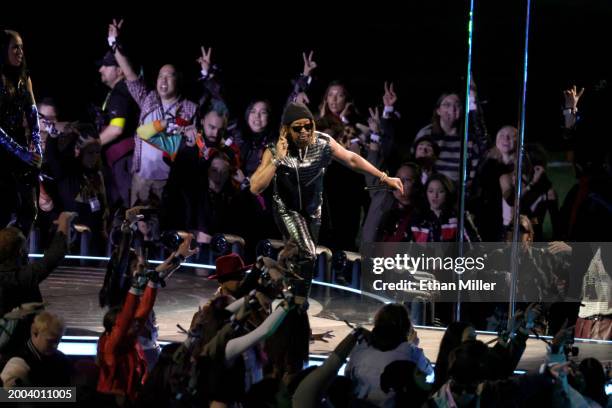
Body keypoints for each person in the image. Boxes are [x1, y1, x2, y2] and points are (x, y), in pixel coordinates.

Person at [107, 20, 197, 206]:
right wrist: (114, 42)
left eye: (169, 76)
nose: (163, 80)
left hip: (170, 181)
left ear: (178, 80)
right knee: (138, 225)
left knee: (163, 228)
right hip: (141, 177)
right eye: (160, 76)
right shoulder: (149, 99)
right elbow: (130, 75)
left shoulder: (190, 108)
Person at [0, 30, 42, 233]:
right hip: (3, 151)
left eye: (21, 47)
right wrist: (20, 152)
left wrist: (37, 146)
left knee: (30, 208)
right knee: (5, 208)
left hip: (19, 146)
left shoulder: (24, 78)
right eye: (15, 47)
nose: (20, 52)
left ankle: (18, 254)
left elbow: (33, 114)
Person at [97, 49, 139, 210]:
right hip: (119, 161)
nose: (101, 69)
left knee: (132, 208)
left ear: (120, 70)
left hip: (125, 162)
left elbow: (116, 129)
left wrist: (92, 144)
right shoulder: (117, 92)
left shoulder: (121, 91)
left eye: (106, 66)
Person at [0, 311, 71, 387]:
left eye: (58, 341)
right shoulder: (16, 365)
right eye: (50, 341)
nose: (55, 346)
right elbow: (8, 396)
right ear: (35, 332)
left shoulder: (62, 359)